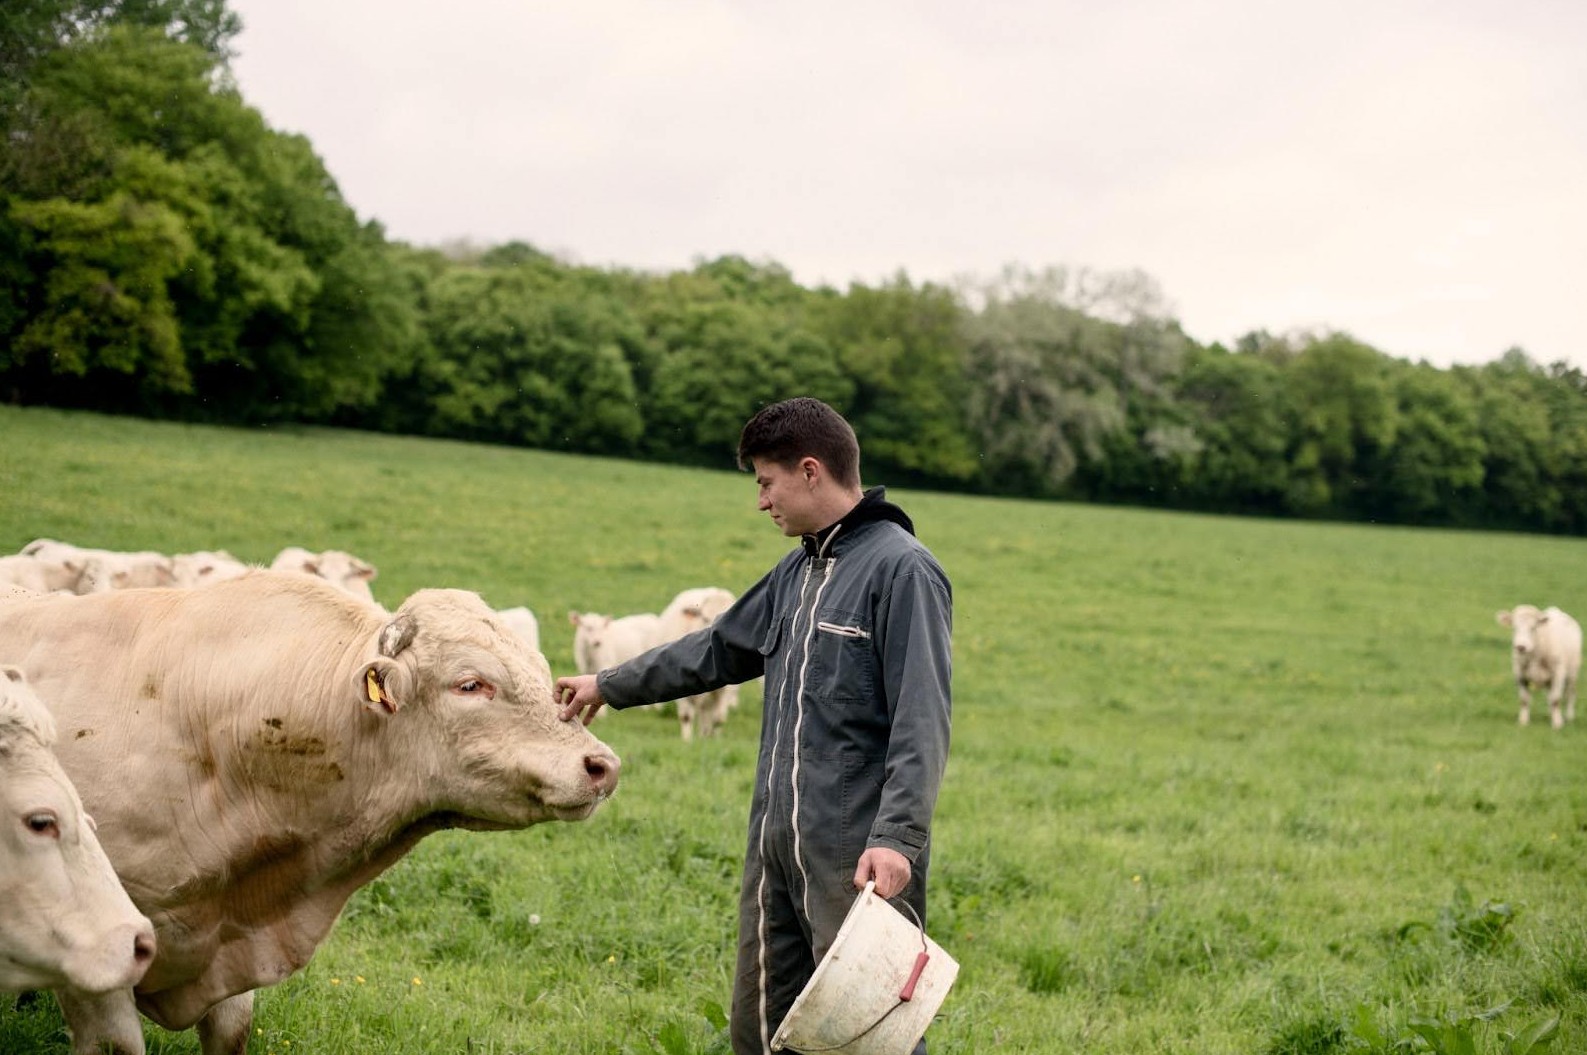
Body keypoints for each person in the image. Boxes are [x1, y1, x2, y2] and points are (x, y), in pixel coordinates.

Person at [556, 396, 953, 1055]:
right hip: (774, 844)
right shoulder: (798, 570)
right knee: (762, 1026)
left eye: (765, 483)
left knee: (870, 1033)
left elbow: (922, 719)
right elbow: (715, 648)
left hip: (857, 855)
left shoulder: (902, 569)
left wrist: (896, 839)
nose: (761, 501)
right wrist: (609, 682)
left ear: (808, 470)